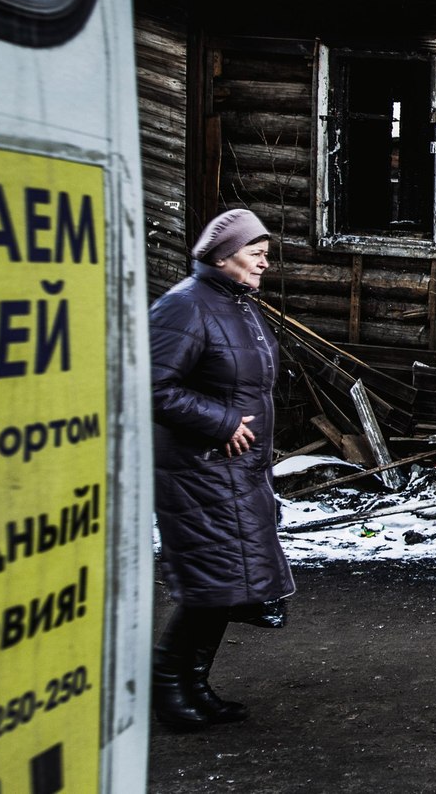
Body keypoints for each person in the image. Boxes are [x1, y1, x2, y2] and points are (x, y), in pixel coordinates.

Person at [149, 208, 295, 729]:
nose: (263, 264)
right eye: (255, 255)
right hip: (199, 468)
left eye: (265, 256)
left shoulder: (236, 303)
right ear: (221, 255)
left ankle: (194, 686)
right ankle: (169, 691)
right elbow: (154, 386)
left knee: (226, 583)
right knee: (211, 585)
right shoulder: (185, 306)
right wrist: (222, 421)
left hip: (235, 470)